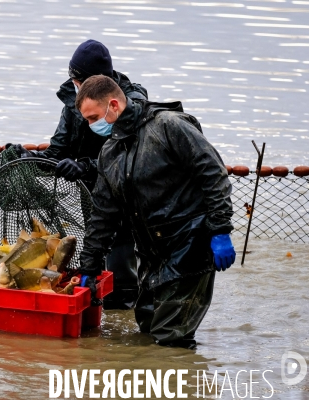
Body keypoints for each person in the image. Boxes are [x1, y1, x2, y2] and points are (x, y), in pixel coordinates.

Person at [76, 75, 236, 348]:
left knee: (170, 337)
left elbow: (213, 174)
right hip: (151, 256)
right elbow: (103, 215)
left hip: (191, 246)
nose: (91, 126)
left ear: (113, 105)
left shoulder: (170, 126)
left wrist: (220, 229)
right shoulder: (110, 152)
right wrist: (89, 267)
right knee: (147, 328)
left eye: (93, 118)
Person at [6, 39, 147, 309]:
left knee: (122, 270)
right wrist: (30, 158)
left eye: (80, 79)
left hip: (129, 195)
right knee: (93, 268)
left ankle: (125, 313)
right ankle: (99, 326)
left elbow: (129, 155)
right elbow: (57, 151)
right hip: (92, 196)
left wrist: (84, 166)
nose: (76, 84)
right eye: (75, 79)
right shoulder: (72, 102)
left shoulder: (132, 103)